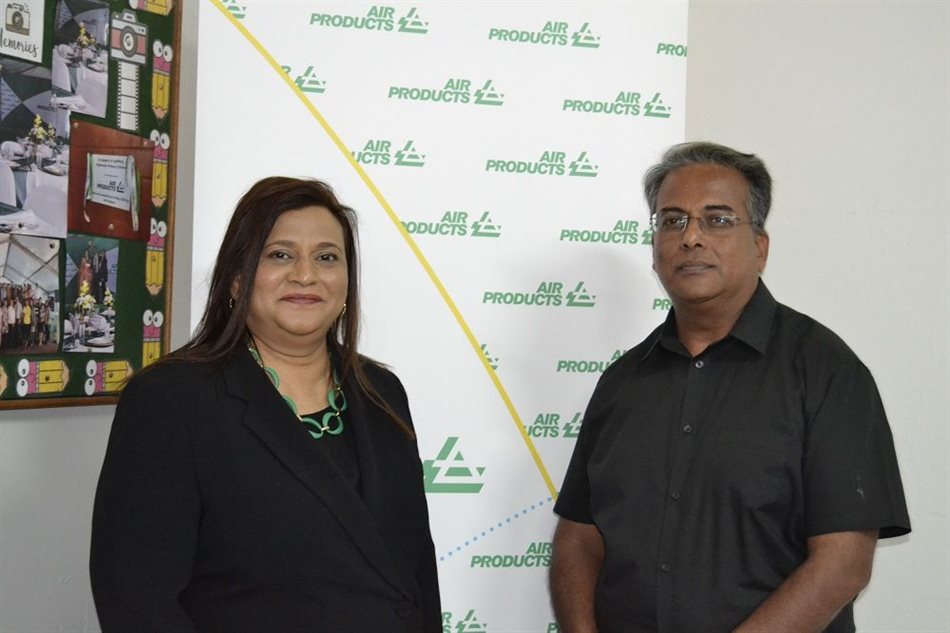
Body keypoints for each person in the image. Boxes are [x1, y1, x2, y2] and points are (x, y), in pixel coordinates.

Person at [550, 142, 910, 633]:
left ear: (760, 247)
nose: (691, 237)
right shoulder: (622, 382)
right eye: (671, 220)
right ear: (655, 248)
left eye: (717, 219)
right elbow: (578, 539)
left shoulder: (827, 372)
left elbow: (843, 563)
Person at [91, 177, 441, 632]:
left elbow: (417, 570)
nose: (305, 275)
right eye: (280, 255)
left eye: (326, 257)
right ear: (237, 277)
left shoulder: (382, 391)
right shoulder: (171, 400)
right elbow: (137, 601)